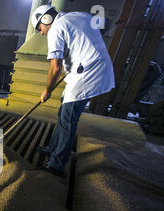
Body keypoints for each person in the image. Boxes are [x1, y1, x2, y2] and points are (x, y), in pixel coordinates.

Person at [31, 5, 115, 176]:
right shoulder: (81, 15)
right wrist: (88, 43)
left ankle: (56, 165)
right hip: (91, 68)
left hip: (87, 73)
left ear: (46, 20)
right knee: (64, 113)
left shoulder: (56, 29)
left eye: (40, 28)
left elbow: (56, 66)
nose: (41, 33)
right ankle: (52, 148)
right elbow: (107, 22)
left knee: (68, 119)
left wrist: (48, 90)